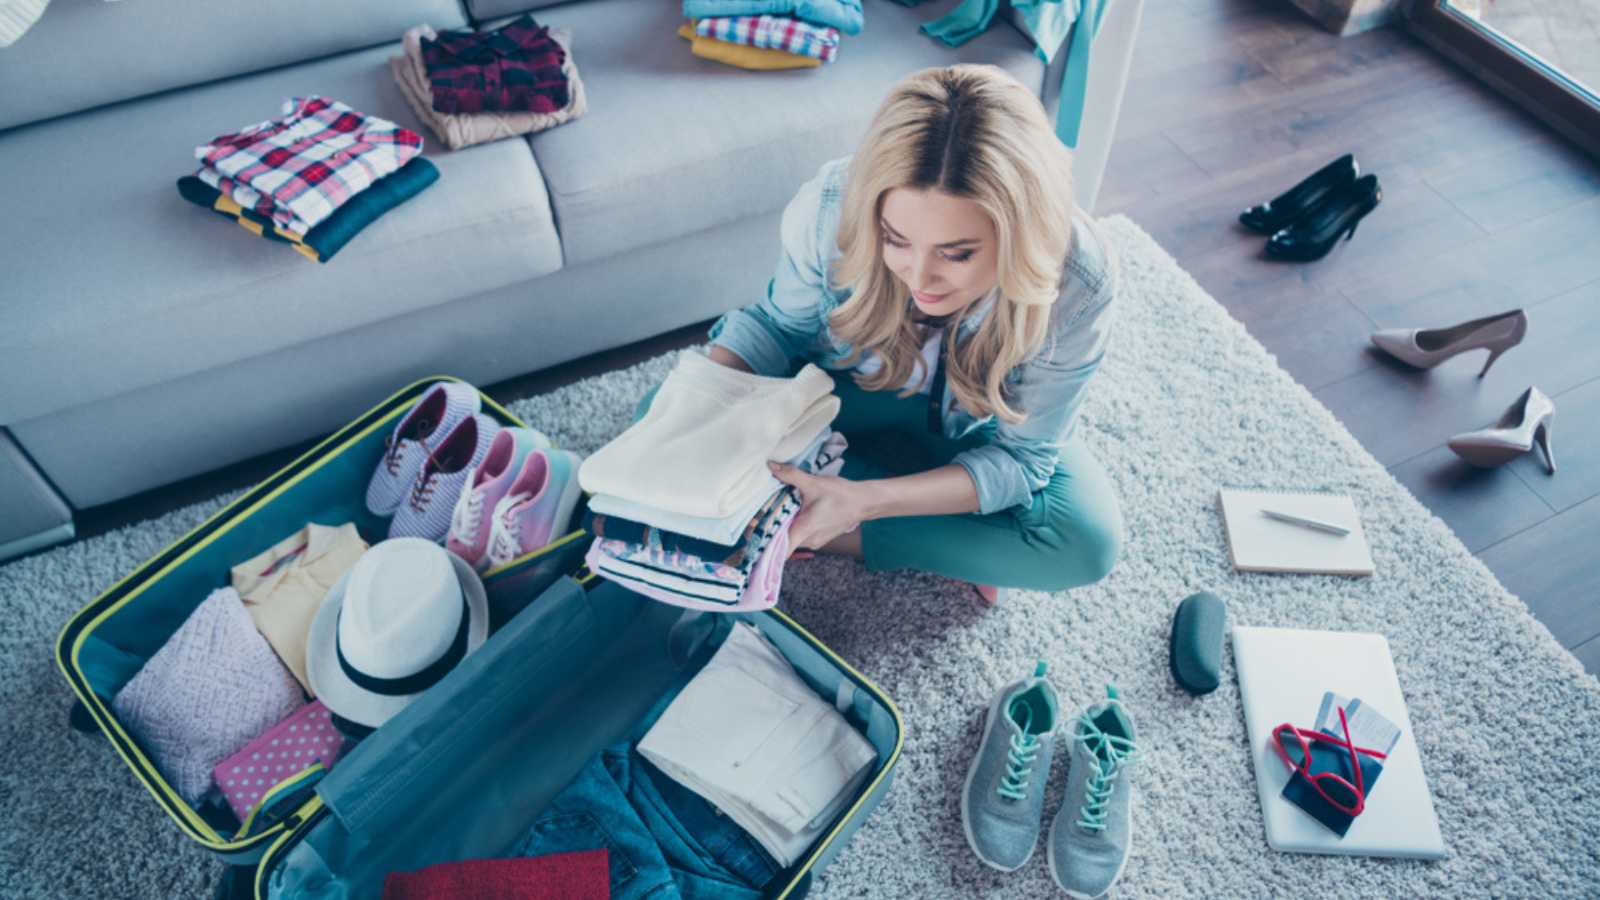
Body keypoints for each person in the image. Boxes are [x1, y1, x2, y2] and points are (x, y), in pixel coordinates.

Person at [650, 64, 1123, 603]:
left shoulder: (1079, 281)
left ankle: (817, 515)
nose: (919, 278)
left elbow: (1022, 459)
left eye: (958, 253)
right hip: (837, 396)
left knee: (1086, 541)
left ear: (1021, 233)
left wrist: (868, 499)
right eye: (896, 240)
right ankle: (938, 534)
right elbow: (777, 330)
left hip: (970, 424)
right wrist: (700, 412)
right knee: (661, 417)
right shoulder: (830, 205)